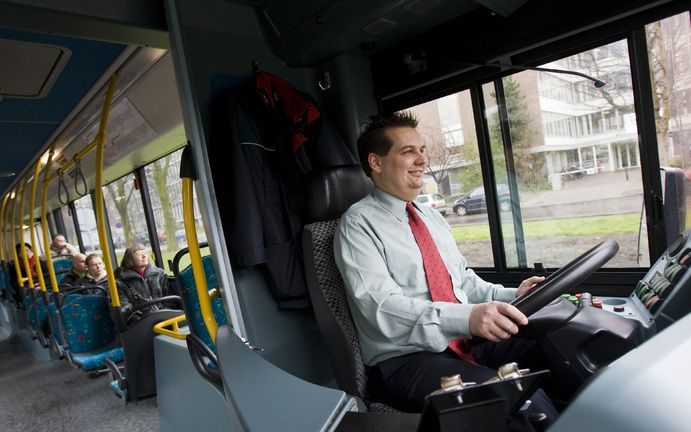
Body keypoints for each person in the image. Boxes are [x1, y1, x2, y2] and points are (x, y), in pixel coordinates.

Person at [333, 112, 558, 428]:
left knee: (557, 342)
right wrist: (466, 318)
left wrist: (514, 295)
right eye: (408, 151)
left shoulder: (431, 217)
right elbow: (381, 308)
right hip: (405, 360)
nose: (421, 160)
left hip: (462, 341)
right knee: (518, 404)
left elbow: (464, 281)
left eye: (422, 149)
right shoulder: (357, 225)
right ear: (376, 162)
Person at [115, 244, 170, 312]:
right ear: (130, 259)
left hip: (165, 315)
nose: (144, 256)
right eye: (139, 254)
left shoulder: (160, 274)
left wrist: (166, 313)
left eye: (145, 253)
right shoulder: (121, 282)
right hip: (141, 320)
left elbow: (169, 299)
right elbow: (125, 309)